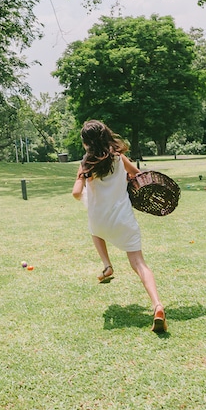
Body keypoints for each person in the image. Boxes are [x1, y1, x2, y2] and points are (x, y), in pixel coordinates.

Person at [71, 120, 167, 333]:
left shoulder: (86, 164)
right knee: (139, 263)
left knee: (95, 230)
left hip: (100, 221)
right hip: (123, 220)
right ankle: (157, 305)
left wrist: (83, 180)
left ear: (86, 143)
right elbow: (137, 174)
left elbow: (77, 193)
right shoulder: (118, 157)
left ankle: (107, 265)